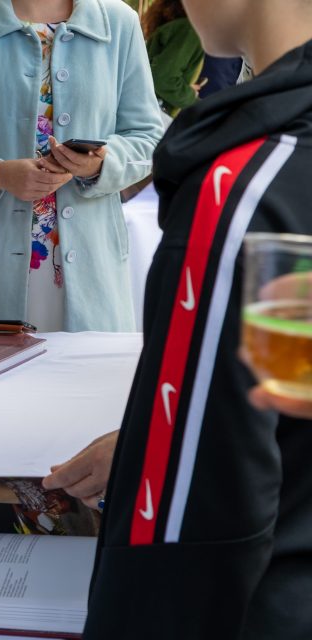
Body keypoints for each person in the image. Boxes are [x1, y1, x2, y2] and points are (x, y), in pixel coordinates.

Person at [44, 0, 312, 636]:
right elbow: (287, 393)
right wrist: (164, 430)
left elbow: (186, 538)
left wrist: (166, 452)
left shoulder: (242, 194)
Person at [0, 0, 163, 332]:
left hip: (91, 271)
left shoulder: (119, 23)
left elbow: (147, 136)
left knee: (86, 366)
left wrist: (99, 165)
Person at [144, 0, 206, 115]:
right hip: (155, 111)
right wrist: (191, 98)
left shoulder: (177, 25)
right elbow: (163, 78)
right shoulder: (190, 30)